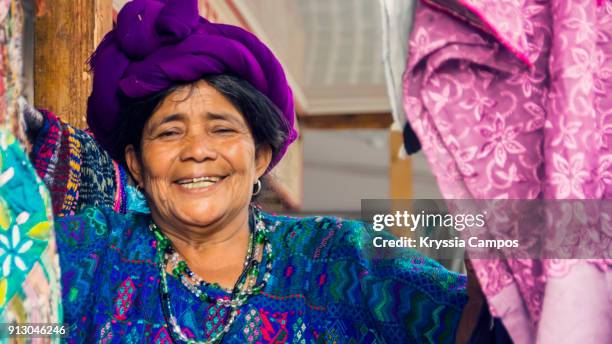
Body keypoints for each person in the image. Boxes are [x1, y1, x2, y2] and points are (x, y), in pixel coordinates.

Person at [2, 0, 472, 342]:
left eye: (222, 129)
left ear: (261, 157)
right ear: (136, 166)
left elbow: (478, 324)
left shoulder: (339, 260)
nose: (197, 151)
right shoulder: (85, 252)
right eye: (169, 133)